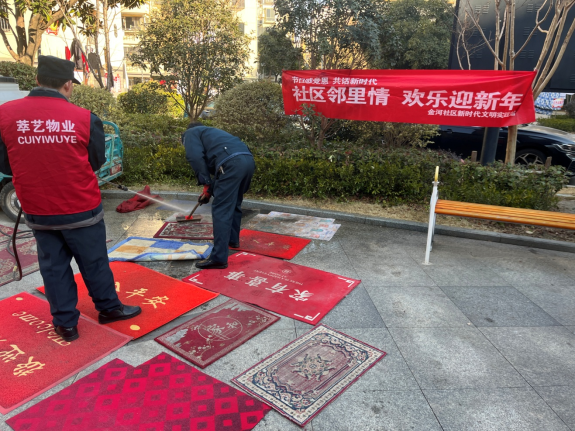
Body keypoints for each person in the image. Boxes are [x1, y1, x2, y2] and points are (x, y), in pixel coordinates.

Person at [0, 55, 141, 342]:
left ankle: (65, 324)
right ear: (67, 84)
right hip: (81, 208)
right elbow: (96, 161)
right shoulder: (85, 118)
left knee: (53, 267)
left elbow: (5, 165)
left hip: (38, 209)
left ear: (37, 80)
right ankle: (109, 309)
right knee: (94, 262)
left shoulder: (5, 115)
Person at [182, 123, 255, 269]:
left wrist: (205, 182)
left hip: (231, 164)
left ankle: (219, 258)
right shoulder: (213, 134)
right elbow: (221, 168)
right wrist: (209, 191)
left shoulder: (190, 133)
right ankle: (232, 240)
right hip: (248, 162)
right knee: (234, 203)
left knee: (221, 210)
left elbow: (195, 157)